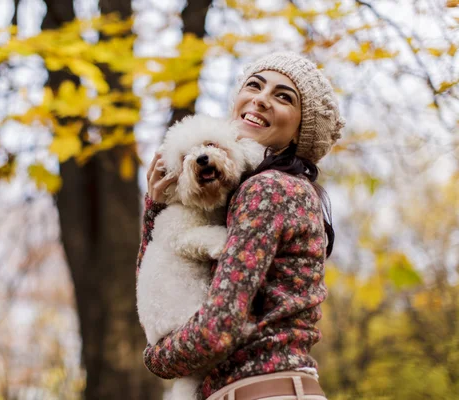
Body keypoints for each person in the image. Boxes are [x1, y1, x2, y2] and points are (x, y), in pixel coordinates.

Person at [136, 52, 345, 400]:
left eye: (283, 96)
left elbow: (218, 329)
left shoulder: (267, 189)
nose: (261, 99)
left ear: (299, 131)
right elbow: (160, 282)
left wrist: (156, 358)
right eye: (254, 85)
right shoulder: (251, 194)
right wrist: (157, 210)